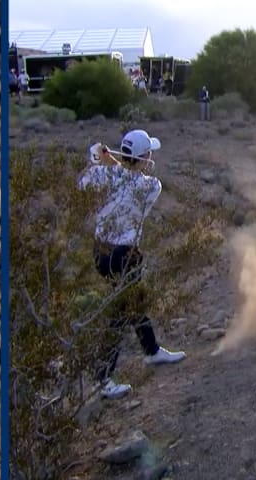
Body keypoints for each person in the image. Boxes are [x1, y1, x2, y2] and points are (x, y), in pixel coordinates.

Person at [77, 130, 187, 400]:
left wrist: (99, 159)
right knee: (120, 314)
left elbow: (84, 182)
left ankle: (151, 351)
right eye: (149, 153)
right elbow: (132, 179)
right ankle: (102, 379)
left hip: (101, 253)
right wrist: (114, 162)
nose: (152, 156)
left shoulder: (106, 174)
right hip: (124, 256)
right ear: (144, 157)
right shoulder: (151, 186)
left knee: (134, 302)